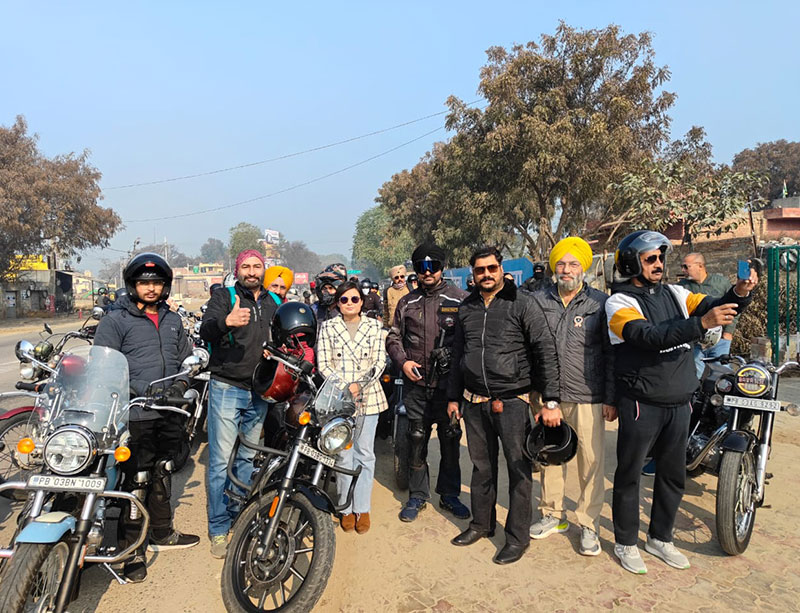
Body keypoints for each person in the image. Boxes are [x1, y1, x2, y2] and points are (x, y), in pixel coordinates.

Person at [606, 230, 758, 575]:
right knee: (629, 475)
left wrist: (739, 292)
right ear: (631, 263)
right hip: (641, 402)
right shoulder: (619, 303)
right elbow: (646, 337)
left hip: (679, 402)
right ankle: (625, 542)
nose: (659, 264)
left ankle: (660, 538)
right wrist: (700, 324)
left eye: (661, 257)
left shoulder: (676, 293)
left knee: (673, 476)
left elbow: (714, 306)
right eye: (650, 259)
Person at [446, 245, 560, 565]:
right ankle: (481, 524)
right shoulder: (467, 307)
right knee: (482, 467)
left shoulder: (523, 303)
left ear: (501, 269)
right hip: (474, 401)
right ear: (473, 274)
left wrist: (550, 400)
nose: (486, 274)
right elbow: (458, 355)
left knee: (518, 469)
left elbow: (545, 349)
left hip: (512, 401)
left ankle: (517, 538)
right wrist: (453, 397)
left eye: (491, 268)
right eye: (480, 270)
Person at [94, 253, 200, 582]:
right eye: (144, 282)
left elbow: (185, 359)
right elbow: (104, 365)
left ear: (165, 286)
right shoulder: (115, 320)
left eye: (156, 283)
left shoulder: (172, 319)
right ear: (133, 285)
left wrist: (182, 383)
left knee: (163, 471)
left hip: (169, 410)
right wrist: (139, 389)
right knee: (136, 480)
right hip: (135, 412)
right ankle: (132, 551)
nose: (151, 288)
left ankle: (162, 532)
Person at [528, 237, 616, 557]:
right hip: (547, 395)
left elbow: (610, 354)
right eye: (561, 264)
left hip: (588, 394)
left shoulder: (600, 304)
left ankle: (588, 523)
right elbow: (529, 347)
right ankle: (553, 514)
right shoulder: (537, 300)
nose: (566, 270)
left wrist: (611, 397)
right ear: (554, 267)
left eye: (573, 264)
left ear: (584, 268)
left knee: (590, 461)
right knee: (550, 455)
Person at [199, 249, 276, 558]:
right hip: (227, 387)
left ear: (264, 269)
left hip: (260, 390)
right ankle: (218, 527)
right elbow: (205, 330)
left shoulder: (273, 301)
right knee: (220, 461)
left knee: (247, 458)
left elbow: (281, 339)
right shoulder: (224, 297)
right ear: (238, 270)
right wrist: (226, 322)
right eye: (246, 266)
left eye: (257, 266)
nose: (252, 271)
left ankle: (238, 514)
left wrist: (274, 350)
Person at [387, 244, 469, 523]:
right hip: (417, 385)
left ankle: (449, 495)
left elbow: (471, 339)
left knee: (450, 441)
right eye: (421, 268)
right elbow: (393, 337)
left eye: (433, 266)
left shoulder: (460, 299)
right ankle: (418, 495)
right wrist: (403, 362)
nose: (427, 272)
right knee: (416, 440)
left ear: (442, 268)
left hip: (448, 388)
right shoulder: (407, 303)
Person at [316, 280, 388, 534]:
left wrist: (360, 384)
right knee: (343, 454)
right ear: (338, 303)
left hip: (369, 398)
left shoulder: (374, 326)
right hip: (339, 400)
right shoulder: (328, 327)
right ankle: (346, 507)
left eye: (354, 299)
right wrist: (346, 386)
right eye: (344, 299)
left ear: (361, 302)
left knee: (365, 453)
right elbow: (324, 364)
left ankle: (362, 507)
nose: (349, 303)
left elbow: (380, 361)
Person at [679, 253, 738, 378]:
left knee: (722, 375)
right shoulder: (681, 288)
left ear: (700, 266)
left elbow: (734, 307)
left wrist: (728, 332)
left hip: (720, 339)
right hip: (694, 340)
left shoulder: (721, 283)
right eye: (682, 267)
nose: (683, 270)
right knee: (694, 375)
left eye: (686, 266)